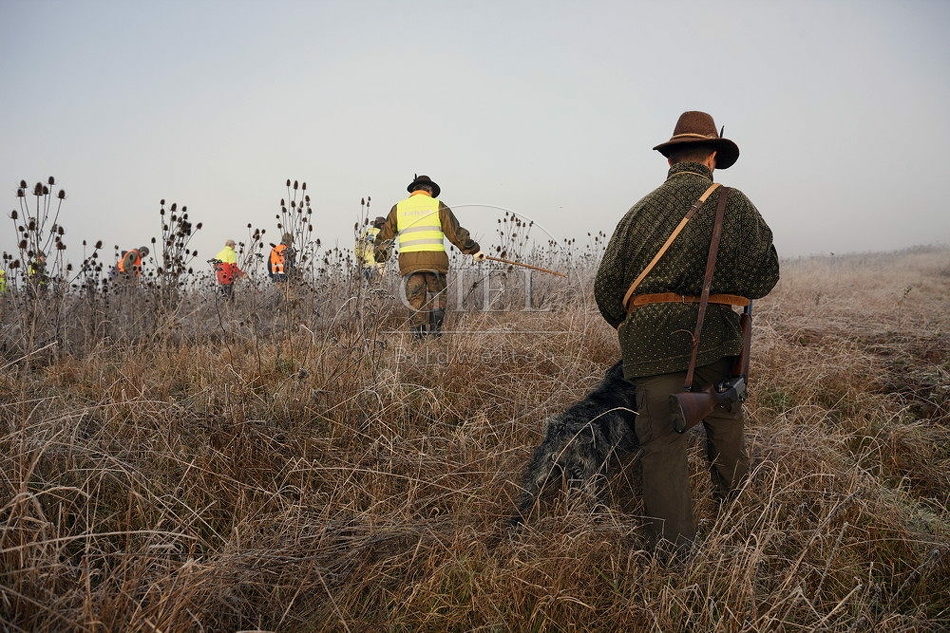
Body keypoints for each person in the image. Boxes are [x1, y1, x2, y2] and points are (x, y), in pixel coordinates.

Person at [594, 111, 780, 553]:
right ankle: (741, 524)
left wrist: (640, 325)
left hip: (650, 348)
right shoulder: (734, 204)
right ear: (713, 156)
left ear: (670, 159)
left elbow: (606, 291)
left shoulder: (637, 212)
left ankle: (673, 555)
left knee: (661, 445)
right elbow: (764, 278)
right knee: (725, 423)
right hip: (715, 340)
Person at [374, 175, 484, 338]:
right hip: (435, 263)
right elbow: (455, 233)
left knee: (415, 300)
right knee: (438, 297)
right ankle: (435, 334)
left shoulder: (399, 208)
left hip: (410, 264)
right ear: (430, 190)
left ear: (413, 190)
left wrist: (380, 259)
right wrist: (473, 249)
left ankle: (417, 338)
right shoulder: (438, 206)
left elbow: (385, 237)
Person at [355, 216, 387, 281]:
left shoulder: (365, 233)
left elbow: (357, 247)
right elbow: (388, 251)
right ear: (382, 225)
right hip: (379, 265)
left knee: (368, 286)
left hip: (366, 264)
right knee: (378, 287)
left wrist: (359, 258)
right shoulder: (384, 235)